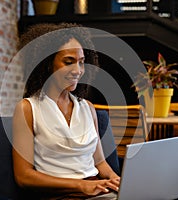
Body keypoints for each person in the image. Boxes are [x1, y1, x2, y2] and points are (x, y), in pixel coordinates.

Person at [12, 23, 120, 200]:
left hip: (96, 191)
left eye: (81, 62)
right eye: (68, 62)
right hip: (60, 195)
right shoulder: (28, 108)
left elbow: (100, 162)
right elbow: (24, 177)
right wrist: (81, 185)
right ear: (48, 63)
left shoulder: (88, 108)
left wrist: (114, 179)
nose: (78, 70)